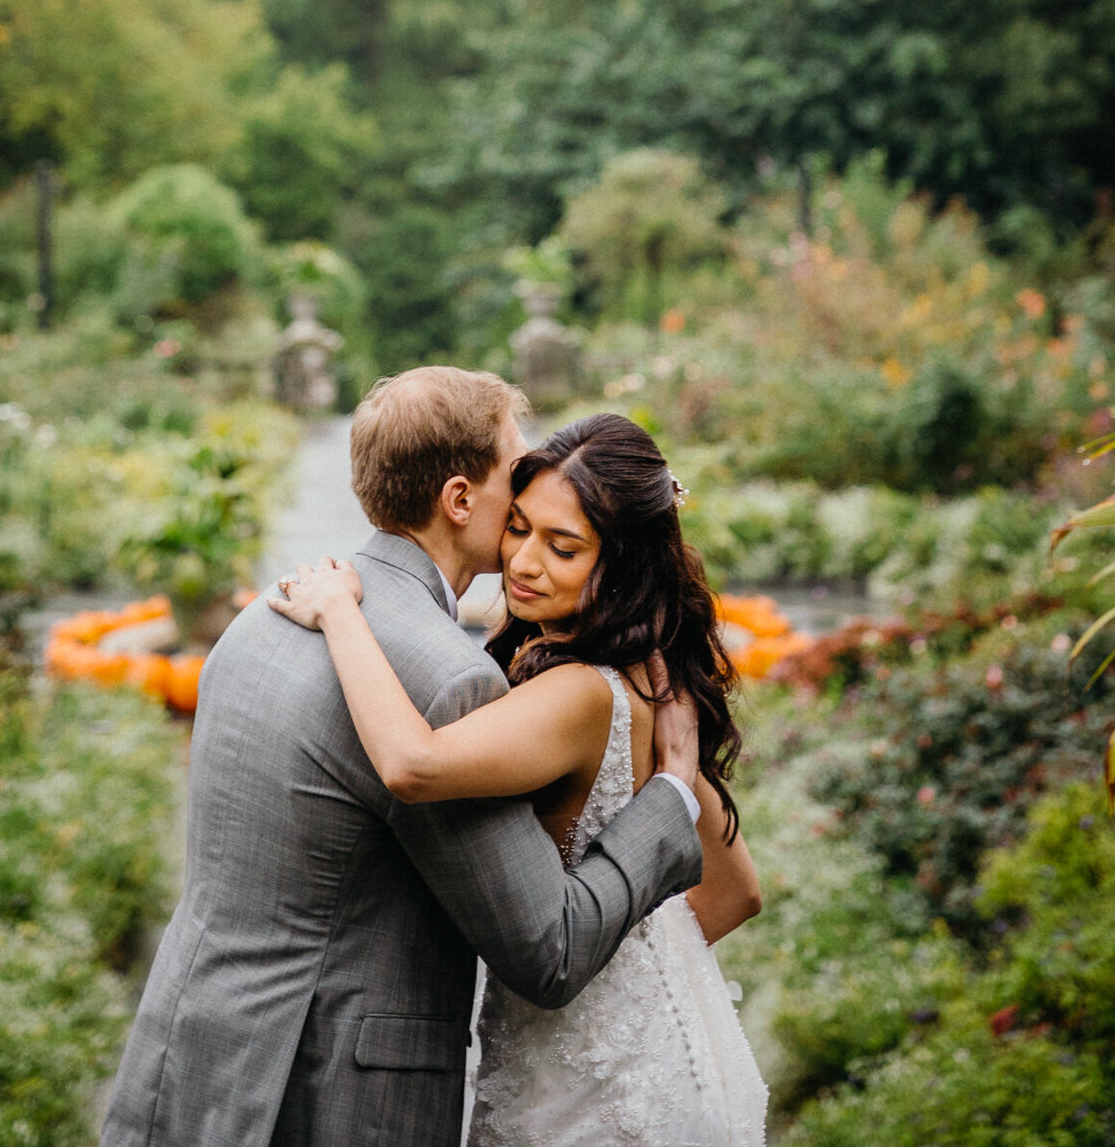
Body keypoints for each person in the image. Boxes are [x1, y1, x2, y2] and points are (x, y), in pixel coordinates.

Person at [99, 369, 705, 1147]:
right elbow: (549, 952)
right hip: (327, 1094)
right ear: (460, 500)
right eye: (515, 469)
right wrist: (671, 795)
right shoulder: (446, 680)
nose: (529, 485)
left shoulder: (264, 616)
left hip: (191, 1055)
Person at [272, 410, 769, 1147]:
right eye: (519, 528)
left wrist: (342, 615)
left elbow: (412, 764)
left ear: (626, 563)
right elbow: (737, 892)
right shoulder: (654, 681)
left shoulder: (578, 696)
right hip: (662, 1058)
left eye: (563, 548)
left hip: (591, 1094)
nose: (525, 563)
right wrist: (632, 964)